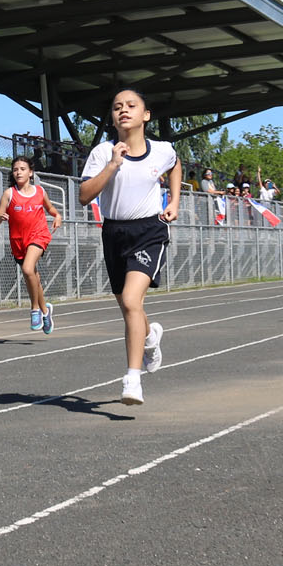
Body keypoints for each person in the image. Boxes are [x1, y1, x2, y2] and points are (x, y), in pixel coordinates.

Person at [78, 88, 181, 406]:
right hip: (114, 232)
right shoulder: (102, 152)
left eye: (131, 105)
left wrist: (174, 201)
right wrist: (111, 166)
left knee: (131, 299)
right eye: (117, 107)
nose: (123, 110)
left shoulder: (162, 151)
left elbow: (175, 165)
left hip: (148, 230)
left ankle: (132, 379)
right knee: (128, 307)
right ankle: (150, 337)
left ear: (145, 115)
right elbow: (84, 196)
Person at [0, 157, 62, 335]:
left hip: (39, 235)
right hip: (18, 241)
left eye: (22, 169)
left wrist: (57, 216)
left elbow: (51, 208)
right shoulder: (9, 194)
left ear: (30, 172)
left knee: (27, 269)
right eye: (15, 169)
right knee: (33, 276)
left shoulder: (39, 191)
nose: (18, 172)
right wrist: (0, 218)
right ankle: (46, 312)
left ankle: (34, 309)